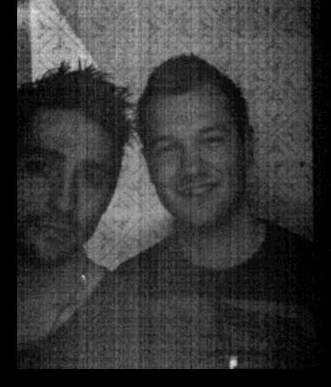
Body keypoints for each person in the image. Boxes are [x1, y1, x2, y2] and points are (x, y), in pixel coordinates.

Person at [89, 55, 318, 368]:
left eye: (211, 141)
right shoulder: (121, 293)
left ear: (247, 146)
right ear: (149, 164)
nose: (192, 168)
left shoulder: (309, 277)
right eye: (168, 148)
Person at [16, 63, 133, 368]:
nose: (64, 203)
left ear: (109, 194)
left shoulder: (128, 322)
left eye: (91, 178)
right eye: (41, 168)